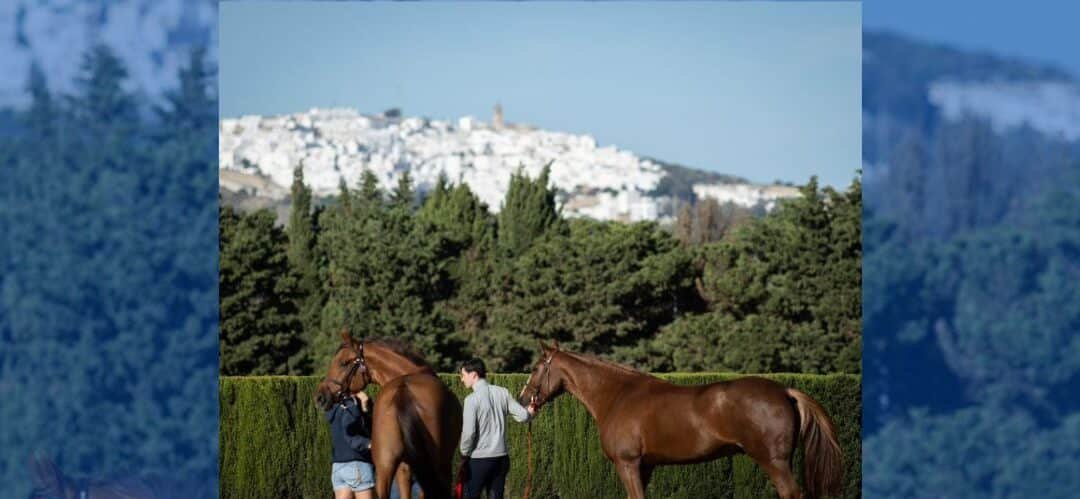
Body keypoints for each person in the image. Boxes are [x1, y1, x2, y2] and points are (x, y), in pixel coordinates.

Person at [458, 358, 536, 499]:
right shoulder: (503, 392)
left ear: (474, 375)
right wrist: (530, 411)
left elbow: (469, 434)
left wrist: (464, 454)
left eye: (463, 375)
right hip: (501, 459)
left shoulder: (471, 400)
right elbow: (524, 416)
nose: (461, 379)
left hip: (479, 460)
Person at [325, 391, 375, 499]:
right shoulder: (350, 405)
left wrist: (364, 409)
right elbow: (351, 435)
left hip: (338, 466)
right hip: (357, 465)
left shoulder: (334, 407)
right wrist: (371, 444)